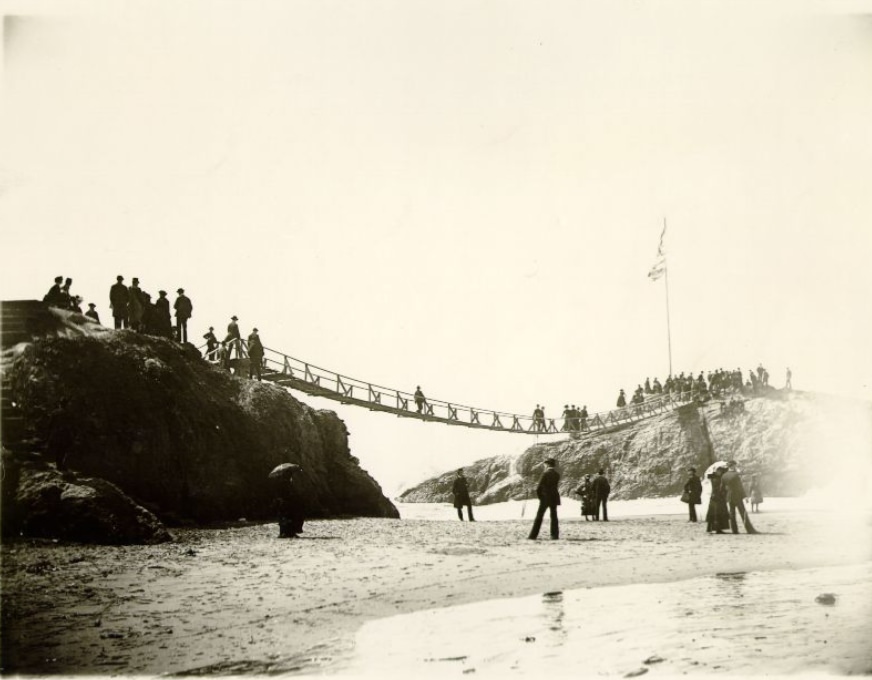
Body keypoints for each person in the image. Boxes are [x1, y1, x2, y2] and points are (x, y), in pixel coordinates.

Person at [528, 458, 560, 540]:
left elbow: (538, 488)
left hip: (545, 498)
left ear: (548, 464)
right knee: (554, 517)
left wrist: (540, 497)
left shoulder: (545, 474)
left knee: (539, 517)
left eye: (545, 464)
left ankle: (533, 536)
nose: (544, 465)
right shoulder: (557, 474)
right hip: (554, 497)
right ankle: (554, 535)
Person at [721, 460, 757, 534]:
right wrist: (745, 496)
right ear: (733, 466)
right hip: (737, 496)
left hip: (729, 496)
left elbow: (721, 488)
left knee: (732, 514)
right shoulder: (736, 475)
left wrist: (726, 494)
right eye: (735, 465)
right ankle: (749, 529)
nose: (735, 467)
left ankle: (734, 530)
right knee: (743, 512)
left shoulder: (724, 475)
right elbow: (740, 487)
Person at [271, 467, 305, 538]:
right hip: (287, 503)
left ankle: (284, 532)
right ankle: (290, 532)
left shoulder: (280, 483)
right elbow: (290, 494)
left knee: (284, 518)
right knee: (291, 517)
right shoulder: (287, 484)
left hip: (282, 503)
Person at [705, 465, 729, 534]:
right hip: (718, 497)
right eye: (720, 471)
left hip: (714, 497)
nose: (721, 472)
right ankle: (718, 529)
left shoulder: (714, 477)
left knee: (712, 513)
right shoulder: (717, 479)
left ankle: (709, 528)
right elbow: (719, 488)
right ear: (718, 471)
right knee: (717, 513)